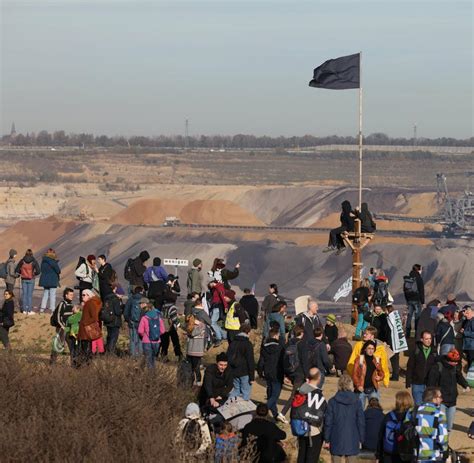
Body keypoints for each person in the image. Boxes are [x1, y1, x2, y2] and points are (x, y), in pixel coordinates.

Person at [324, 374, 365, 463]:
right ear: (351, 385)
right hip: (353, 438)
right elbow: (361, 422)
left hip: (336, 437)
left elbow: (328, 422)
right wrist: (361, 439)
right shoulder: (357, 401)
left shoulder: (332, 401)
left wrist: (326, 439)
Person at [426, 348, 469, 432]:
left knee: (449, 427)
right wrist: (434, 398)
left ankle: (445, 443)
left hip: (452, 401)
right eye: (454, 361)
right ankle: (439, 443)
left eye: (457, 361)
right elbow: (430, 385)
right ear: (448, 360)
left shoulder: (455, 367)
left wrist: (465, 385)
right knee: (440, 425)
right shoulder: (437, 367)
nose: (456, 363)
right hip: (440, 401)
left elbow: (459, 377)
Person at [403, 387, 448, 462]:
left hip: (415, 456)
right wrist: (445, 451)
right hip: (433, 458)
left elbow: (405, 429)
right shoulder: (439, 415)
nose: (442, 399)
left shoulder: (412, 411)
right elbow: (442, 439)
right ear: (434, 398)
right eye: (440, 397)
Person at [295, 368, 327, 463]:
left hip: (300, 429)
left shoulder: (300, 391)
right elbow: (323, 415)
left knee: (301, 456)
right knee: (311, 458)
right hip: (314, 431)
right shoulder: (318, 395)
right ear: (319, 378)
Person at [375, 391, 414, 463]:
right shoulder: (413, 416)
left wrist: (378, 455)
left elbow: (380, 436)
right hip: (407, 454)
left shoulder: (388, 416)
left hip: (389, 453)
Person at [258, 326, 285, 422]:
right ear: (277, 335)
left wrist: (260, 373)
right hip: (278, 373)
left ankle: (275, 415)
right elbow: (283, 361)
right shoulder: (280, 347)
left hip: (268, 373)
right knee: (275, 396)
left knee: (270, 395)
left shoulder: (264, 347)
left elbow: (261, 361)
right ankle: (263, 410)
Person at [405, 330, 437, 406]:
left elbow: (436, 368)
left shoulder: (434, 351)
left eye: (430, 339)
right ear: (422, 339)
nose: (429, 341)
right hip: (417, 383)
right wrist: (408, 381)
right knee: (418, 406)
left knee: (428, 406)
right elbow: (410, 366)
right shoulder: (416, 350)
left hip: (429, 384)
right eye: (426, 339)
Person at [352, 340, 385, 409]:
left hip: (373, 389)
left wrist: (380, 377)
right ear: (365, 349)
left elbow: (381, 373)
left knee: (375, 410)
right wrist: (358, 385)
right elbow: (354, 375)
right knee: (360, 412)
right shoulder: (359, 359)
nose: (371, 351)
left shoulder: (377, 360)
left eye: (372, 349)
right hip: (361, 390)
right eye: (369, 348)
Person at [186, 297, 212, 385]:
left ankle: (190, 379)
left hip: (190, 342)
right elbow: (209, 322)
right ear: (201, 304)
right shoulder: (202, 313)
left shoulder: (190, 313)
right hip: (199, 340)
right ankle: (198, 379)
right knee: (197, 362)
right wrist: (202, 325)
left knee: (190, 363)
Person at [227, 323, 255, 401]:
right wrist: (252, 377)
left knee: (236, 390)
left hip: (234, 371)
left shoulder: (233, 342)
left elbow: (228, 357)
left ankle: (228, 407)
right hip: (245, 372)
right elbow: (250, 361)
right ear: (248, 332)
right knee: (245, 393)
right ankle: (243, 411)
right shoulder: (247, 344)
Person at [77, 289, 102, 365]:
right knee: (84, 349)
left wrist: (84, 323)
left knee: (86, 349)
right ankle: (85, 365)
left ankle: (86, 365)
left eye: (84, 295)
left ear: (89, 295)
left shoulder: (90, 303)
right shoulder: (87, 303)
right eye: (82, 295)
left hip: (86, 331)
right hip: (84, 331)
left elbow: (94, 318)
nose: (82, 296)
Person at [138, 299, 165, 369]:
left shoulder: (144, 318)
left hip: (147, 341)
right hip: (157, 341)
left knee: (148, 360)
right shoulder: (158, 318)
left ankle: (150, 376)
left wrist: (144, 336)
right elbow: (163, 331)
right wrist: (157, 335)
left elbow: (140, 331)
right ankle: (153, 375)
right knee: (153, 359)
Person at [50, 287, 74, 364]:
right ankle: (52, 362)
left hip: (69, 329)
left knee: (72, 346)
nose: (72, 296)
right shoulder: (62, 304)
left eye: (72, 295)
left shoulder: (71, 305)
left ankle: (74, 362)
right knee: (58, 346)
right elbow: (57, 316)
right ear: (66, 295)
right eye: (70, 295)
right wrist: (62, 326)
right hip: (62, 329)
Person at [15, 249, 40, 315]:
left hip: (23, 279)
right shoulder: (34, 261)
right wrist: (34, 273)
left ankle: (24, 310)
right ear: (32, 254)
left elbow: (17, 269)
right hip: (31, 279)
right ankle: (29, 311)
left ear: (26, 253)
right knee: (29, 295)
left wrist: (21, 272)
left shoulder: (22, 261)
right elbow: (38, 271)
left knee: (24, 294)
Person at [404, 264, 425, 338]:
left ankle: (407, 334)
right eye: (421, 269)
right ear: (418, 270)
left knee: (409, 317)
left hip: (409, 300)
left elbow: (405, 290)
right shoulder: (419, 278)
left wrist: (407, 300)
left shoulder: (408, 278)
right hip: (417, 300)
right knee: (417, 317)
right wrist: (422, 302)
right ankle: (417, 334)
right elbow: (421, 290)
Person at [124, 287, 145, 357]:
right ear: (141, 291)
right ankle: (139, 355)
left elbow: (126, 312)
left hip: (132, 322)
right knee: (140, 339)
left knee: (133, 340)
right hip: (141, 323)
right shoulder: (144, 300)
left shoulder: (130, 299)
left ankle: (133, 356)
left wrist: (128, 320)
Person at [102, 285, 124, 355]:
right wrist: (122, 308)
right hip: (115, 321)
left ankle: (107, 351)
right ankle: (111, 353)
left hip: (108, 320)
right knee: (114, 337)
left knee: (109, 336)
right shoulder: (116, 300)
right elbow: (118, 312)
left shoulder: (107, 298)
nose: (122, 296)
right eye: (122, 295)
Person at [209, 280, 227, 345]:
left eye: (210, 283)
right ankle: (224, 335)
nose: (209, 285)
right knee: (213, 323)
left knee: (212, 323)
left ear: (213, 282)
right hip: (214, 307)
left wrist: (226, 307)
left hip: (217, 307)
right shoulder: (216, 288)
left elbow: (223, 297)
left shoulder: (219, 287)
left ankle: (219, 338)